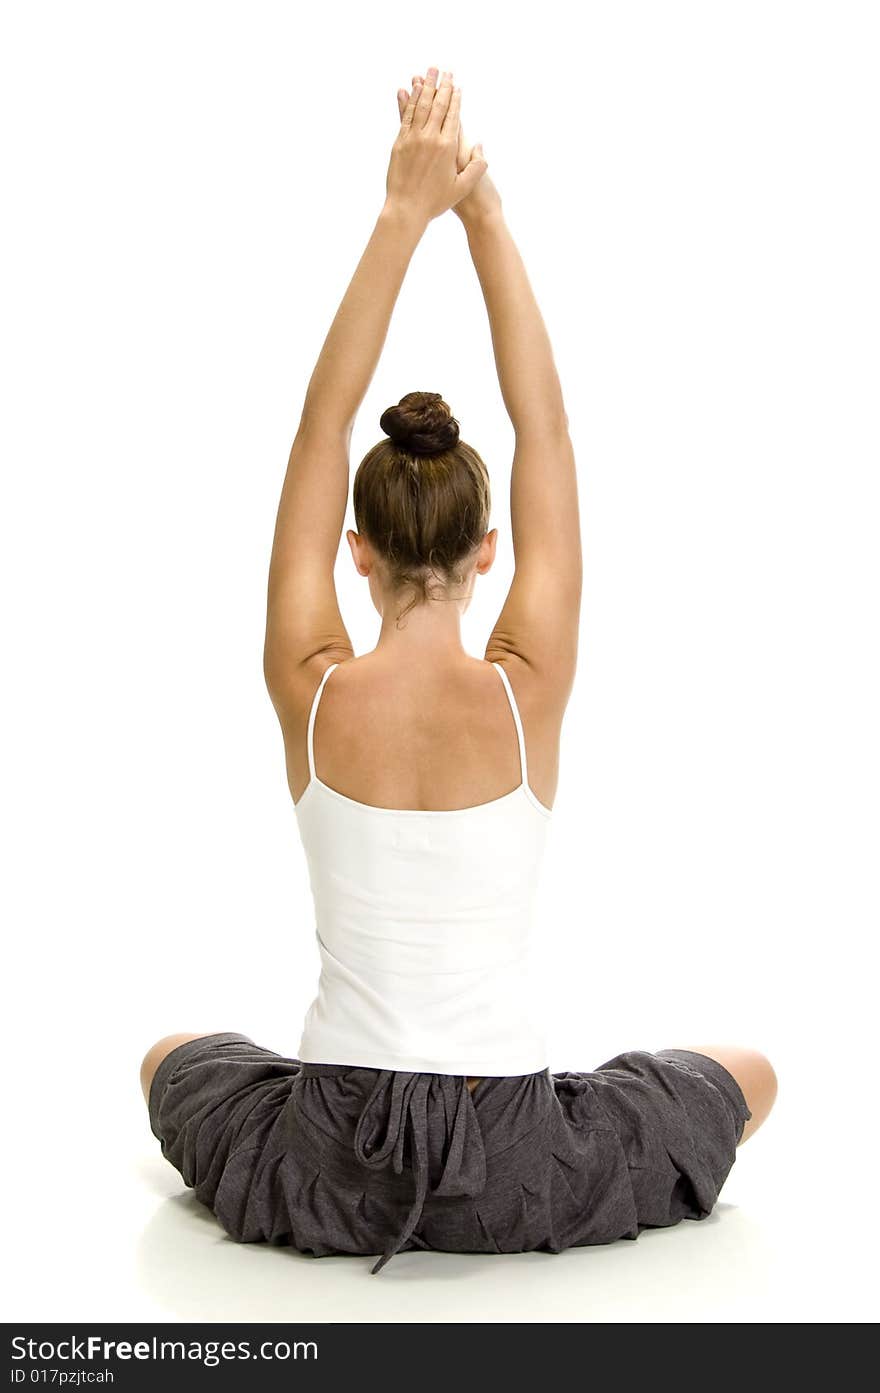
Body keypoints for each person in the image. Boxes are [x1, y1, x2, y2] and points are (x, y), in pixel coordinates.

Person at [141, 66, 777, 1275]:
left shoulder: (310, 683)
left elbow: (317, 432)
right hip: (513, 1152)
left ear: (357, 553)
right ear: (489, 552)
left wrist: (400, 215)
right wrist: (480, 213)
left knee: (169, 1056)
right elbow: (546, 426)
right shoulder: (526, 684)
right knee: (750, 1073)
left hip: (330, 1152)